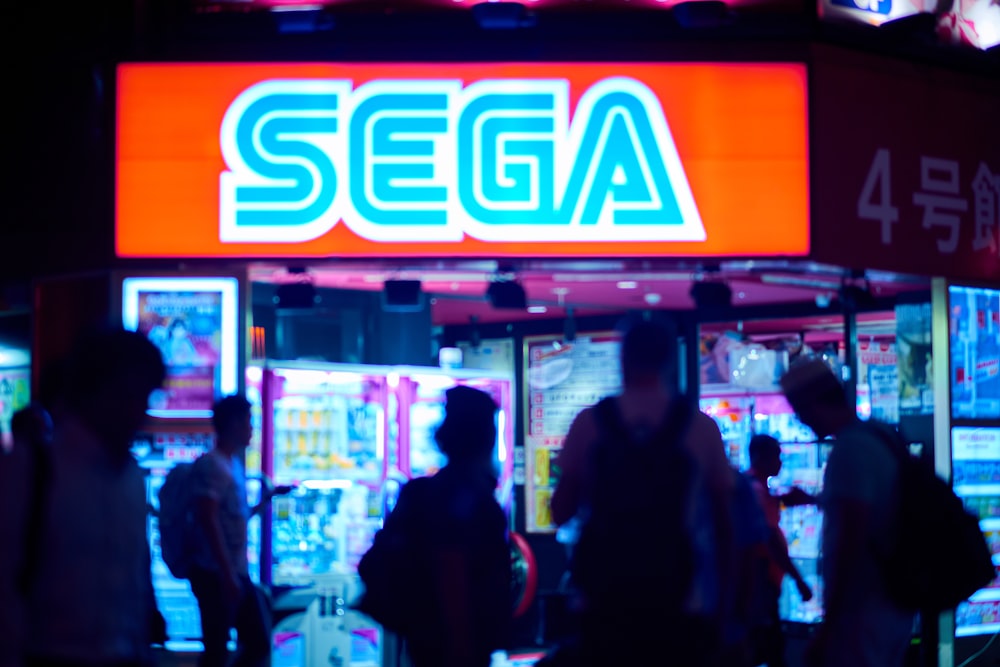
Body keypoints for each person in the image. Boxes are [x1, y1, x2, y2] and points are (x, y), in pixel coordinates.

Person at [550, 318, 738, 667]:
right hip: (678, 595)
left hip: (603, 598)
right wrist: (723, 608)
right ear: (670, 360)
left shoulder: (590, 422)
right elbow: (724, 527)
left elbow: (560, 511)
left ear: (622, 358)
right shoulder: (700, 427)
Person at [0, 327, 167, 667]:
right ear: (92, 392)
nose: (140, 412)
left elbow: (134, 571)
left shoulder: (132, 477)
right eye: (128, 395)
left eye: (145, 397)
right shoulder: (29, 470)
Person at [361, 385, 511, 667]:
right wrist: (462, 650)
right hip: (459, 649)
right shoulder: (476, 501)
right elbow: (454, 576)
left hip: (422, 642)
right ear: (486, 437)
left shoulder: (421, 492)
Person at [780, 358, 914, 667]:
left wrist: (830, 623)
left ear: (814, 405)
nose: (802, 422)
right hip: (893, 604)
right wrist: (820, 501)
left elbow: (851, 539)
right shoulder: (881, 436)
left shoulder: (849, 449)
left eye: (801, 412)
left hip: (861, 611)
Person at [189, 394, 289, 667]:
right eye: (248, 422)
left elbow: (235, 519)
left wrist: (267, 500)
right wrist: (227, 573)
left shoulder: (232, 466)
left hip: (232, 572)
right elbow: (208, 520)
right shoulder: (212, 466)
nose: (251, 429)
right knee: (221, 647)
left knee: (246, 643)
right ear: (233, 424)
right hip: (217, 573)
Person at [745, 434, 815, 667]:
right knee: (769, 648)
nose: (780, 461)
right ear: (759, 457)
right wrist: (799, 580)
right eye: (776, 455)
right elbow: (771, 540)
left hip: (761, 582)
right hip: (760, 583)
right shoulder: (755, 491)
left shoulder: (755, 490)